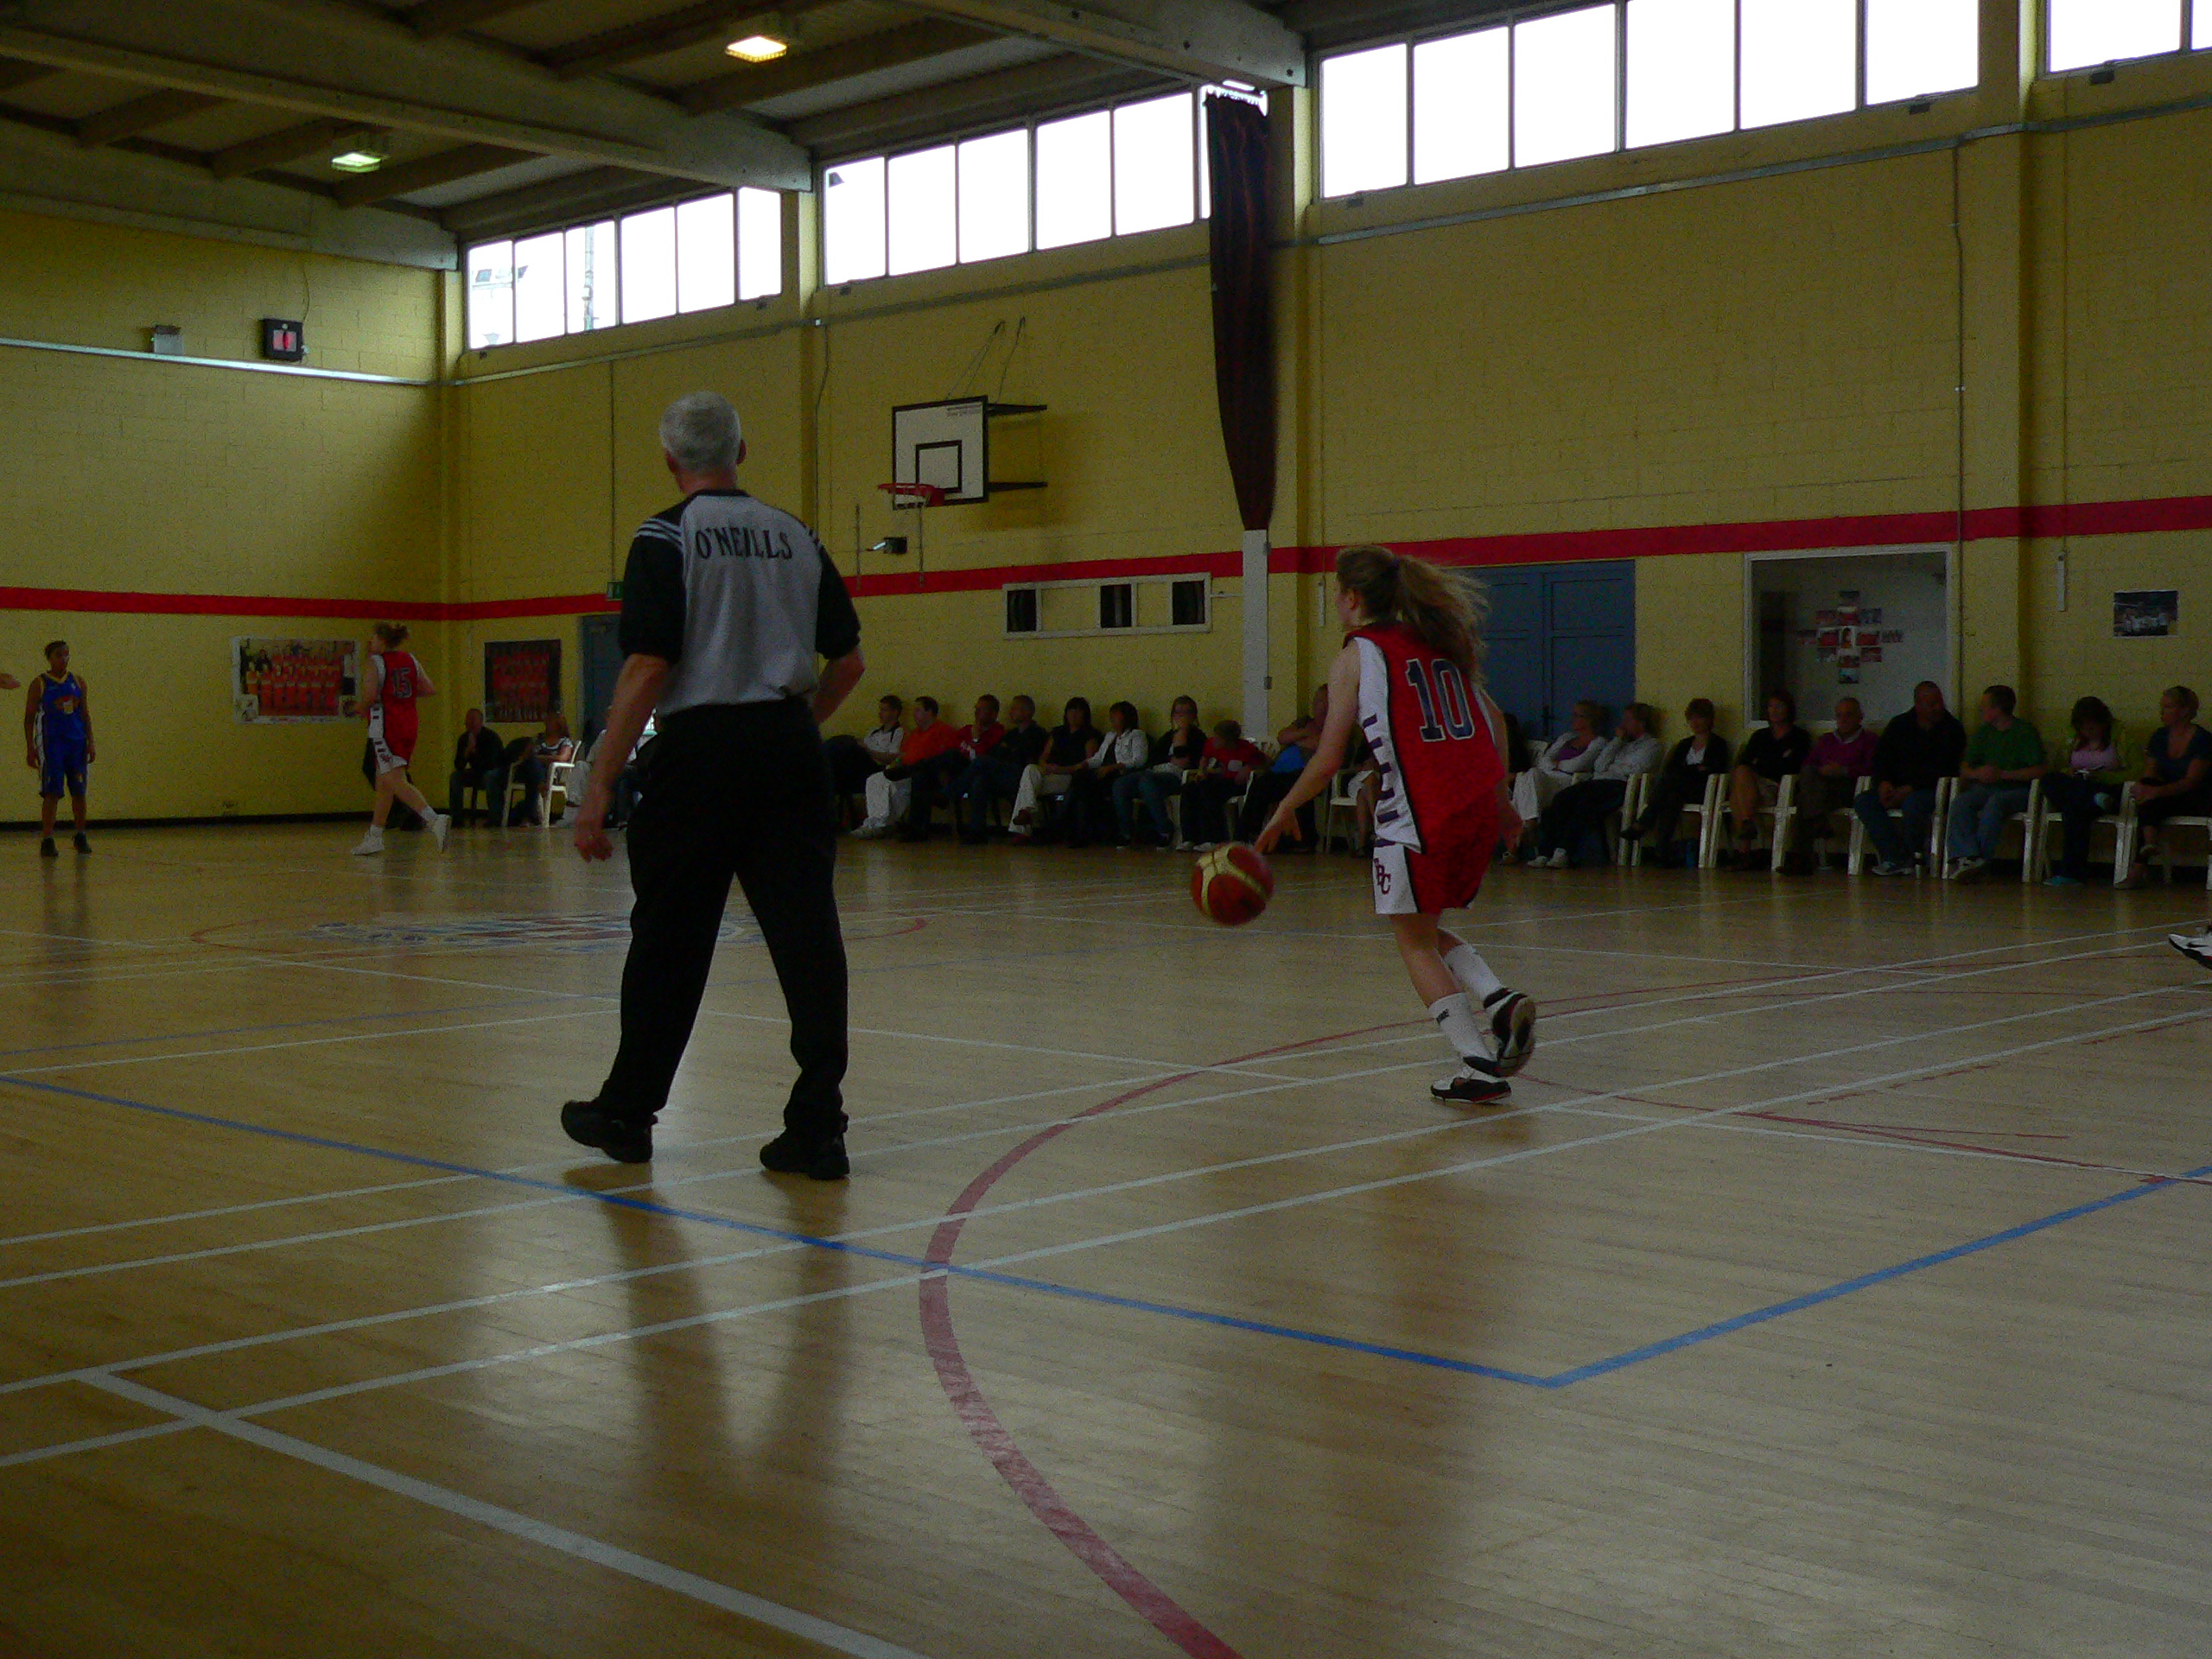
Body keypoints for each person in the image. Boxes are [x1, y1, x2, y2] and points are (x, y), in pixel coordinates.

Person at [563, 390, 865, 1179]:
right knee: (808, 938)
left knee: (670, 938)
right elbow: (849, 662)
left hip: (699, 755)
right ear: (743, 451)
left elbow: (647, 666)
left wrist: (599, 784)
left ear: (670, 459)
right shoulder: (797, 535)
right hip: (790, 749)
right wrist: (798, 726)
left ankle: (628, 1112)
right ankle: (818, 1126)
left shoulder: (665, 536)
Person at [1255, 545, 1535, 1108]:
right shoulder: (1436, 642)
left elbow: (1328, 759)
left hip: (1419, 812)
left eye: (1337, 594)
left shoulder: (1357, 656)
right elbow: (1494, 720)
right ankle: (1498, 1000)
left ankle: (1478, 1061)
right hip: (1474, 806)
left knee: (1413, 943)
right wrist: (1502, 803)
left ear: (1352, 598)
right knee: (1422, 928)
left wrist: (1285, 807)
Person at [351, 623, 448, 857]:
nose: (370, 643)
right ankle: (374, 836)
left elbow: (370, 696)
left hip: (387, 726)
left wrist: (358, 708)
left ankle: (434, 819)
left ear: (383, 641)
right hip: (409, 723)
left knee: (393, 778)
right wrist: (402, 694)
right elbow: (429, 689)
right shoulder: (411, 660)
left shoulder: (375, 662)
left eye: (373, 639)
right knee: (383, 782)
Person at [1853, 681, 1967, 875]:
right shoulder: (1899, 725)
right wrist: (1883, 783)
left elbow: (1945, 767)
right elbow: (1881, 759)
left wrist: (1909, 788)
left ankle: (1914, 854)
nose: (1938, 708)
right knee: (1864, 801)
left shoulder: (1952, 729)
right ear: (1918, 705)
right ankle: (1895, 856)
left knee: (1913, 804)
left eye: (1939, 702)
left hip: (1930, 789)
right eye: (1932, 704)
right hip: (1895, 786)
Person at [1529, 703, 1661, 868]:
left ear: (1641, 722)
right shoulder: (1620, 744)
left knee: (1585, 803)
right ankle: (1545, 852)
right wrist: (1617, 741)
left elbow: (1637, 769)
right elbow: (1599, 765)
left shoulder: (1652, 745)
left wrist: (1613, 767)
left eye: (1628, 720)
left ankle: (1564, 851)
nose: (1623, 724)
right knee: (1562, 798)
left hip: (1620, 785)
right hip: (1598, 782)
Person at [1946, 684, 2046, 882]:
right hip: (1985, 787)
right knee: (1961, 803)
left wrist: (2004, 775)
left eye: (1985, 705)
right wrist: (1978, 773)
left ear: (1997, 709)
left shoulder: (2025, 732)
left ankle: (1979, 859)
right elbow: (1964, 768)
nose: (1981, 709)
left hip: (2017, 789)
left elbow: (2039, 770)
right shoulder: (1983, 733)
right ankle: (1968, 855)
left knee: (1995, 803)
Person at [2118, 685, 2212, 888]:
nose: (2162, 712)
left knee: (2151, 800)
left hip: (2196, 797)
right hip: (2165, 796)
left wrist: (2156, 791)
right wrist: (2144, 787)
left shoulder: (2202, 740)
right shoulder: (2160, 736)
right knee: (2147, 795)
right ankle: (2148, 844)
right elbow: (2151, 771)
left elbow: (2192, 781)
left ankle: (2140, 864)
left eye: (2168, 707)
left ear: (2184, 711)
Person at [1623, 697, 1730, 865]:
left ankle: (1644, 822)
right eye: (1691, 718)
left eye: (1699, 717)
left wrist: (1689, 771)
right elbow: (1672, 768)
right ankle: (1662, 851)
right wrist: (1696, 769)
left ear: (1709, 719)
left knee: (1671, 784)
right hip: (1680, 789)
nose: (1695, 722)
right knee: (1672, 798)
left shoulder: (1718, 744)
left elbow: (1713, 769)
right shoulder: (1684, 745)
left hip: (1702, 790)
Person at [1780, 697, 1879, 874]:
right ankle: (1817, 823)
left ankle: (1800, 858)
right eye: (1839, 715)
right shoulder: (1826, 740)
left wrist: (1843, 770)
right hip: (1822, 786)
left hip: (1850, 787)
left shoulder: (1870, 740)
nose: (1843, 720)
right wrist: (1823, 771)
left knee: (1805, 801)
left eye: (1849, 715)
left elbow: (1872, 768)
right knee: (1808, 780)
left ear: (1860, 717)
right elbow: (1809, 763)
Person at [2042, 696, 2127, 887]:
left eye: (2093, 728)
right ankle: (2091, 797)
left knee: (2073, 810)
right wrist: (2070, 772)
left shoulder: (2120, 736)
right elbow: (2058, 767)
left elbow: (2137, 771)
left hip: (2108, 788)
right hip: (2080, 786)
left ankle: (2071, 873)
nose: (2088, 732)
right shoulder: (2072, 738)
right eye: (2084, 728)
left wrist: (2103, 776)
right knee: (2049, 780)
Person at [1723, 691, 1811, 868]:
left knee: (1737, 795)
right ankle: (1747, 826)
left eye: (1779, 706)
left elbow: (1792, 767)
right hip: (1755, 785)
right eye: (1770, 706)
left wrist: (1762, 764)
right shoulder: (1760, 736)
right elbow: (1745, 762)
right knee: (1740, 774)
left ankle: (1744, 851)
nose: (1774, 711)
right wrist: (1772, 763)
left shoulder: (1799, 737)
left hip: (1779, 786)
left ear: (1788, 709)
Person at [899, 694, 1004, 841]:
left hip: (978, 772)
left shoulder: (998, 732)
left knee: (968, 771)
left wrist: (976, 738)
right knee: (921, 775)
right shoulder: (966, 730)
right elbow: (949, 749)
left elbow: (984, 760)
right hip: (957, 772)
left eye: (981, 709)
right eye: (976, 708)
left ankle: (941, 791)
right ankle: (917, 829)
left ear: (993, 714)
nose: (976, 712)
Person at [1237, 686, 1331, 848]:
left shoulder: (1335, 725)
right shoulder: (1304, 722)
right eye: (1317, 701)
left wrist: (1297, 739)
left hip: (1306, 773)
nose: (1319, 705)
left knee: (1274, 784)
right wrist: (1303, 734)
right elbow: (1282, 737)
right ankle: (1246, 836)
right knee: (1259, 783)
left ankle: (1300, 840)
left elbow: (1321, 745)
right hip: (1278, 771)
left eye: (1323, 701)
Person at [855, 696, 960, 837]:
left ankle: (884, 825)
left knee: (903, 781)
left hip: (928, 777)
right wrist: (897, 760)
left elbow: (946, 761)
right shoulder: (914, 734)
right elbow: (904, 755)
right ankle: (874, 824)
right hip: (906, 772)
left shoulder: (944, 731)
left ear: (929, 712)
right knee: (875, 779)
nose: (914, 714)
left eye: (918, 710)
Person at [24, 641, 91, 856]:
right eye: (59, 655)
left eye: (66, 654)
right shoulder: (40, 683)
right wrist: (30, 747)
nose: (64, 659)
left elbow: (85, 714)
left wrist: (91, 742)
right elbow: (29, 717)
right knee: (52, 792)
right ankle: (48, 838)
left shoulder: (77, 682)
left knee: (79, 791)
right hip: (52, 744)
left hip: (76, 743)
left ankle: (80, 835)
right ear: (50, 658)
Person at [954, 694, 1047, 842]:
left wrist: (1006, 756)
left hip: (1024, 777)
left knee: (982, 760)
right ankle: (976, 831)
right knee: (979, 781)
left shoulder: (1038, 734)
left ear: (1027, 712)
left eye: (1014, 709)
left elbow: (1027, 758)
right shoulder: (1011, 735)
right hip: (1005, 775)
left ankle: (952, 793)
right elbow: (996, 754)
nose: (1010, 712)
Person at [1508, 702, 1602, 849]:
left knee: (1527, 778)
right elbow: (1543, 761)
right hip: (1547, 778)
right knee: (1524, 776)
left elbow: (1578, 765)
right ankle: (1529, 825)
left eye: (1577, 715)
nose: (1573, 719)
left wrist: (1557, 764)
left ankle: (1521, 834)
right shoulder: (1566, 738)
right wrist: (1556, 765)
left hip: (1568, 781)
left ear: (1588, 719)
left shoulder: (1598, 742)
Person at [1117, 695, 1205, 847]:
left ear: (1194, 716)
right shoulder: (1167, 737)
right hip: (1156, 771)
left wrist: (1183, 732)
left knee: (1146, 782)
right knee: (1121, 784)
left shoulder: (1198, 737)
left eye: (1187, 712)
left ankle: (1164, 829)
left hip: (1177, 776)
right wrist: (1171, 758)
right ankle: (1126, 832)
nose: (1182, 716)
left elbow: (1185, 758)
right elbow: (1154, 758)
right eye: (1178, 712)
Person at [1008, 697, 1100, 840]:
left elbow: (1088, 764)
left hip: (1070, 777)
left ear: (1085, 715)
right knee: (1030, 770)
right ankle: (1026, 812)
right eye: (1071, 711)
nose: (1073, 715)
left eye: (1078, 712)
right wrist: (1046, 766)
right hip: (1051, 773)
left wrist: (1062, 769)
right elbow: (1044, 756)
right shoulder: (1058, 733)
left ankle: (1022, 828)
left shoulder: (1090, 736)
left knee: (1026, 787)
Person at [1178, 718, 1266, 849]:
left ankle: (1213, 838)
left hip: (1235, 783)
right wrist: (1202, 771)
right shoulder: (1211, 744)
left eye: (1218, 738)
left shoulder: (1245, 748)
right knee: (1189, 789)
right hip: (1219, 779)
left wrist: (1249, 767)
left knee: (1208, 792)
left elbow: (1265, 762)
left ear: (1228, 740)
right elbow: (1205, 758)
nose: (1214, 740)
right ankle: (1189, 838)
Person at [1078, 701, 1150, 846]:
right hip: (1105, 773)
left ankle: (1122, 832)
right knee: (1080, 781)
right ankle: (1083, 830)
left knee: (1102, 787)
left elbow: (1139, 760)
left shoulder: (1137, 735)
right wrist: (1084, 764)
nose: (1111, 718)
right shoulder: (1110, 736)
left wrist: (1113, 767)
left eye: (1115, 715)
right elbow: (1099, 758)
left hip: (1122, 774)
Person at [510, 712, 575, 826]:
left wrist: (540, 758)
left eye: (550, 721)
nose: (546, 723)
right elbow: (525, 756)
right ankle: (539, 788)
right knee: (531, 764)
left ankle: (530, 814)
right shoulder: (538, 739)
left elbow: (562, 758)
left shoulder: (564, 741)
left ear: (558, 724)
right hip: (530, 772)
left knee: (533, 764)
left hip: (550, 773)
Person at [447, 708, 508, 826]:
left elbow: (491, 764)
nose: (470, 723)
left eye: (473, 719)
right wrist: (467, 751)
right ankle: (456, 818)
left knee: (490, 777)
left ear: (481, 721)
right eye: (468, 719)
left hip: (495, 772)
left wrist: (474, 750)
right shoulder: (464, 739)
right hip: (477, 773)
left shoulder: (491, 737)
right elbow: (459, 766)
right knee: (455, 777)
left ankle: (495, 818)